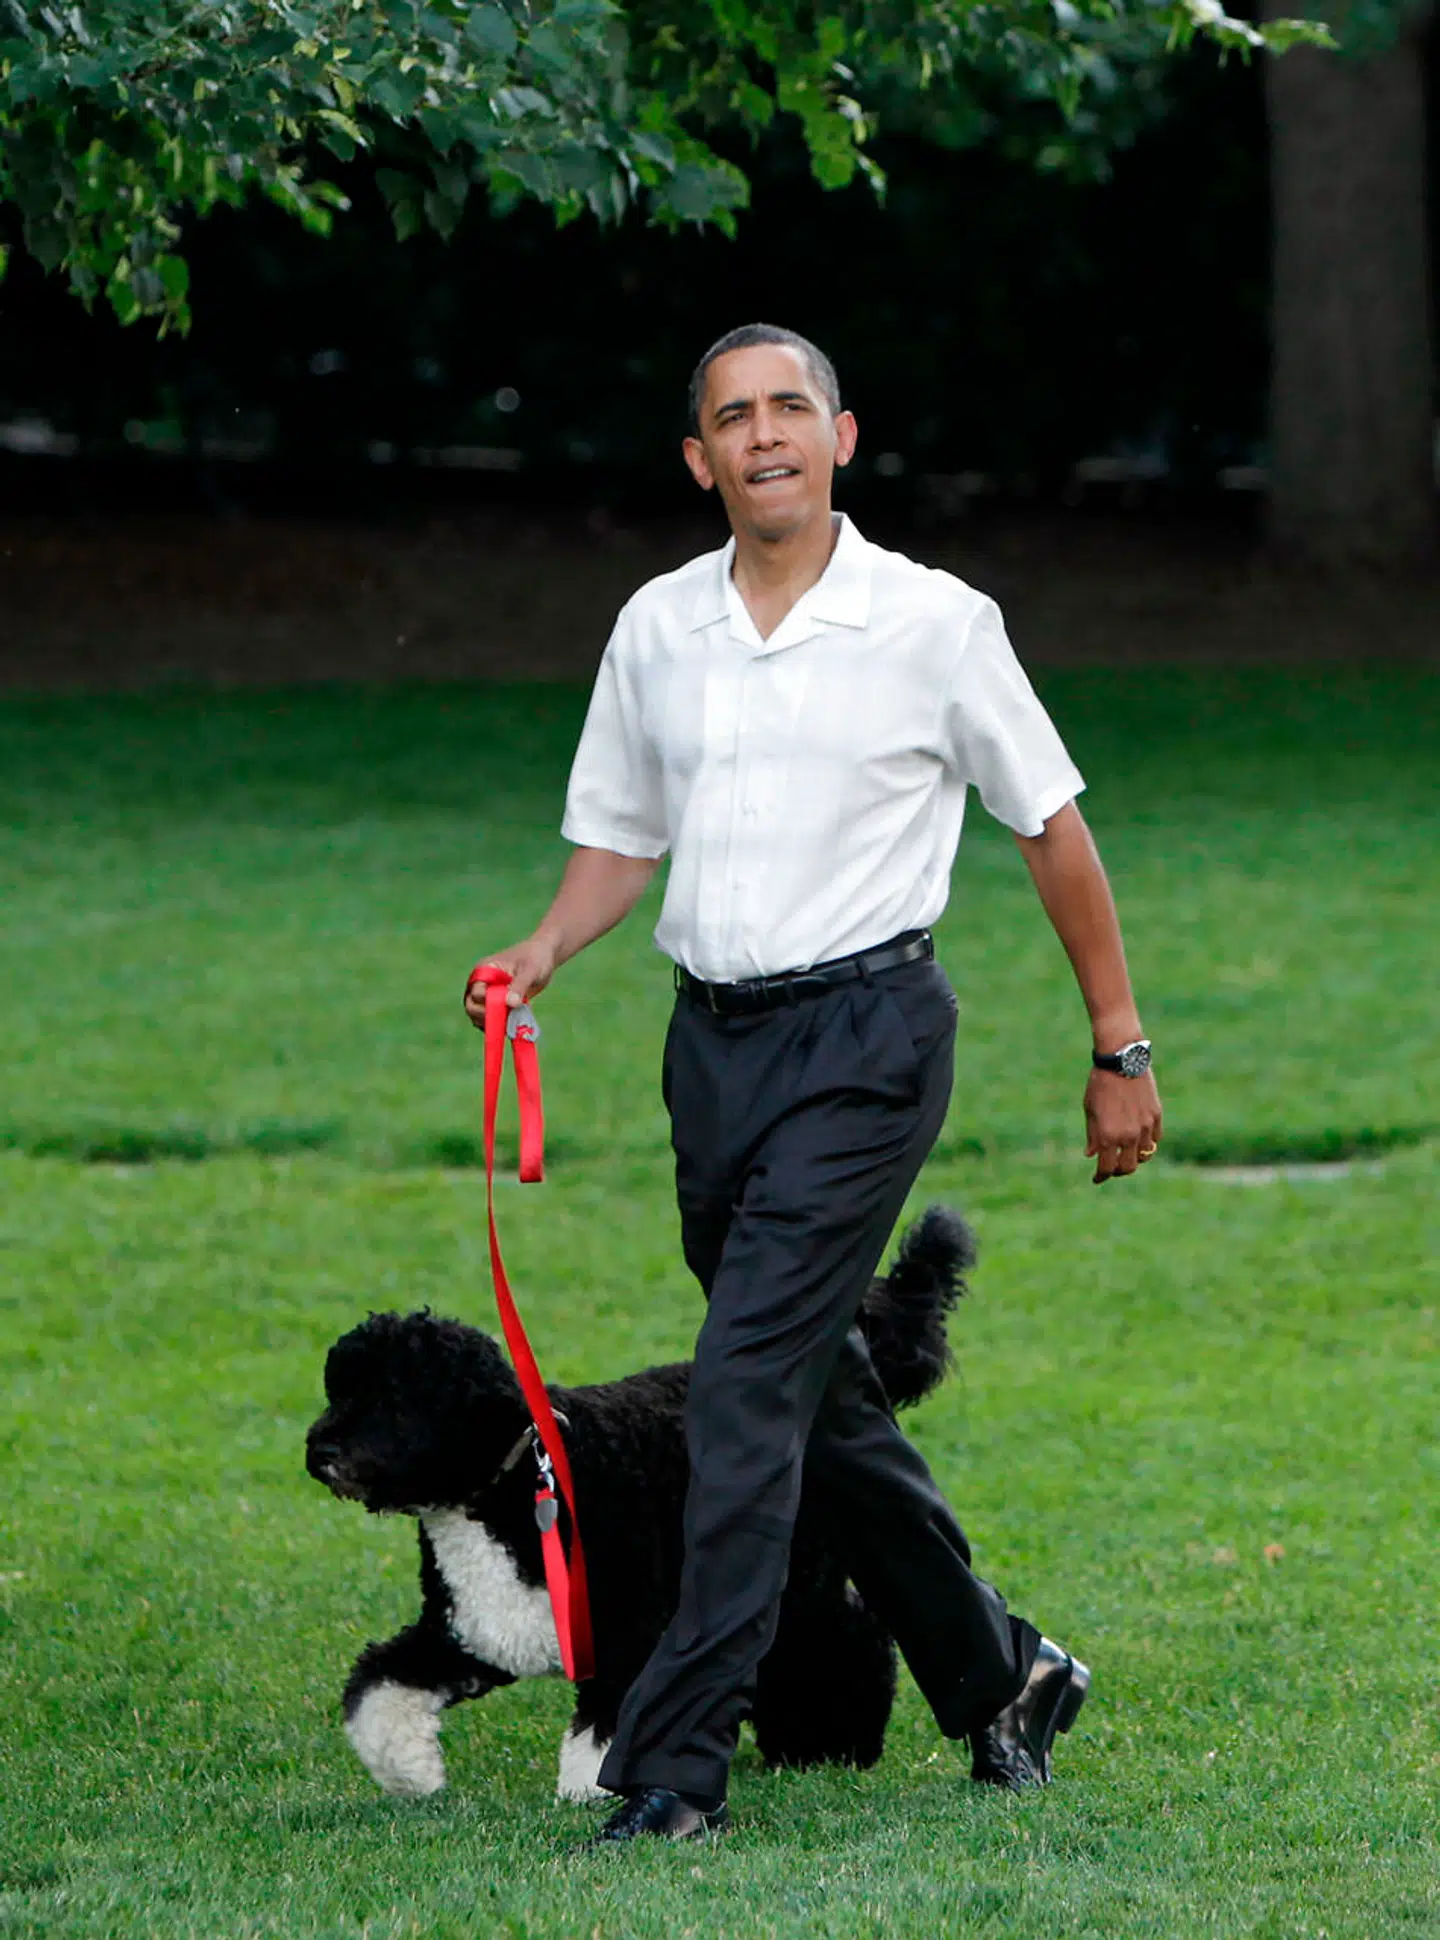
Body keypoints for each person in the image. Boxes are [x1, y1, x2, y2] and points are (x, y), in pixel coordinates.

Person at [465, 322, 1163, 1847]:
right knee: (807, 1390)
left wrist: (1118, 1044)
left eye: (793, 408)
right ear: (700, 458)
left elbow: (1051, 828)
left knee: (737, 1394)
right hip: (709, 1049)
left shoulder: (937, 622)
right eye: (735, 416)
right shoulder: (657, 626)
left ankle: (675, 1763)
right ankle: (1003, 1675)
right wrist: (540, 951)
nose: (765, 434)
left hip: (870, 1041)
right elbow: (620, 838)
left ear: (844, 438)